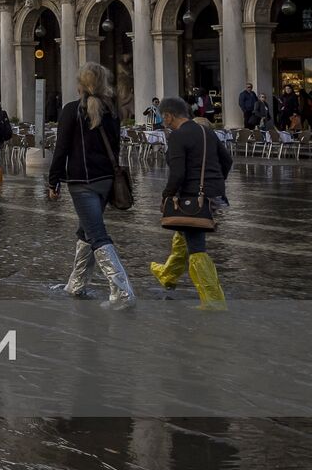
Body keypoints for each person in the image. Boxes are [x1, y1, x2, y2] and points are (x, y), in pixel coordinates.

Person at [47, 62, 134, 309]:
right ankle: (76, 284)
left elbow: (61, 149)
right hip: (106, 180)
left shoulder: (72, 110)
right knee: (86, 231)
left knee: (97, 234)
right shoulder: (112, 110)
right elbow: (116, 147)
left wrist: (53, 181)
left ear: (80, 85)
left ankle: (122, 292)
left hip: (81, 183)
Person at [148, 97, 231, 309]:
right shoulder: (206, 131)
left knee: (196, 247)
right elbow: (227, 160)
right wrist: (216, 181)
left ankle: (212, 300)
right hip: (212, 193)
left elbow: (178, 174)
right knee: (183, 234)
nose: (161, 120)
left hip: (194, 197)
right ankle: (168, 275)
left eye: (161, 116)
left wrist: (167, 195)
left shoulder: (177, 136)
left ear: (169, 116)